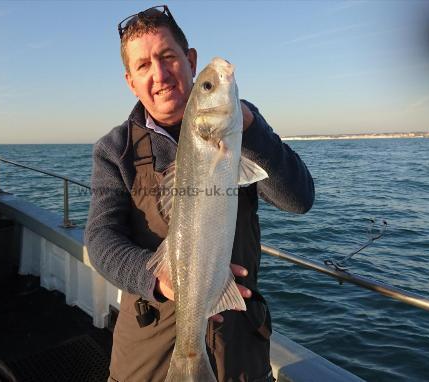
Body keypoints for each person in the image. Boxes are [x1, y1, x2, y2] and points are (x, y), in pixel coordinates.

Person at [85, 5, 315, 382]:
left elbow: (299, 200)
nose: (159, 75)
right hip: (146, 355)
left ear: (190, 60)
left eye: (167, 57)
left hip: (239, 349)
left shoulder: (244, 128)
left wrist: (251, 130)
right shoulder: (115, 149)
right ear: (131, 81)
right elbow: (100, 239)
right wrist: (159, 279)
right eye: (143, 66)